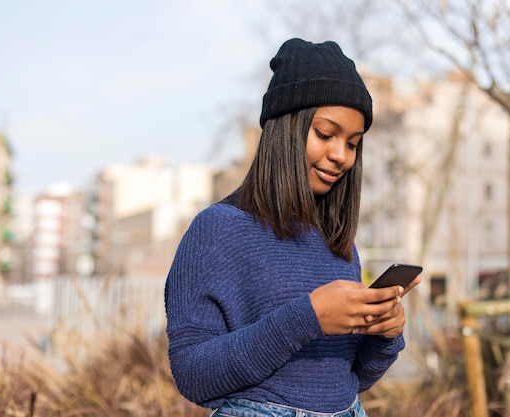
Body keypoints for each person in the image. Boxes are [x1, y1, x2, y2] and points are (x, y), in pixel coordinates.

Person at [165, 38, 420, 417]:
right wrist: (307, 317)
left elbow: (347, 379)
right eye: (325, 134)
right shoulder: (217, 230)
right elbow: (193, 376)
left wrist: (384, 334)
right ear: (285, 127)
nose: (341, 156)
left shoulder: (338, 243)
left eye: (352, 144)